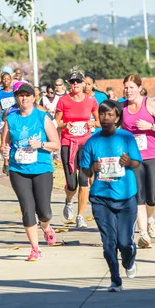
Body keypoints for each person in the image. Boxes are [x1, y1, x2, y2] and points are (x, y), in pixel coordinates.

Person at [80, 100, 141, 292]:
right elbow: (84, 172)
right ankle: (115, 280)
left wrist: (129, 161)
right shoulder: (92, 142)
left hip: (126, 197)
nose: (106, 118)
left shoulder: (127, 138)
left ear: (118, 118)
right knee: (109, 243)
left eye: (110, 115)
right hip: (101, 198)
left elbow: (138, 163)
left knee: (124, 242)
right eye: (102, 114)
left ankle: (129, 260)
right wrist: (92, 169)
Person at [0, 83, 60, 261]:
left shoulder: (42, 117)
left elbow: (56, 143)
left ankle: (46, 226)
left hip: (41, 167)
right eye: (20, 95)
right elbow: (4, 144)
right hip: (18, 169)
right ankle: (35, 248)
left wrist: (41, 145)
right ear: (17, 98)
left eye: (27, 95)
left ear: (33, 98)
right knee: (27, 208)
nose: (24, 98)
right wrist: (4, 152)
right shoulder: (11, 120)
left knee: (44, 211)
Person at [121, 74, 155, 249]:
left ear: (140, 88)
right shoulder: (123, 107)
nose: (128, 91)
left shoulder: (149, 104)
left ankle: (150, 219)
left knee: (152, 198)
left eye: (131, 87)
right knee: (138, 196)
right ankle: (143, 234)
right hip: (134, 158)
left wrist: (150, 126)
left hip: (152, 154)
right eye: (126, 87)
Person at [55, 67, 100, 229]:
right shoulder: (63, 101)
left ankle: (80, 216)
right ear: (69, 84)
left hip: (85, 144)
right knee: (72, 184)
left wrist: (93, 123)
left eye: (78, 82)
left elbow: (100, 120)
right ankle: (68, 201)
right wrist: (65, 124)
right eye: (72, 82)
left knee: (84, 180)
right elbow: (56, 123)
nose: (75, 85)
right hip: (68, 144)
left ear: (83, 84)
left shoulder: (91, 101)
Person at [0, 70, 15, 176]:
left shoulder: (14, 92)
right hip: (3, 121)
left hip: (14, 120)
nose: (6, 81)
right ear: (1, 81)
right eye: (4, 79)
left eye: (8, 79)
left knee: (13, 140)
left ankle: (11, 161)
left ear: (11, 80)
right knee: (5, 141)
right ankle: (6, 162)